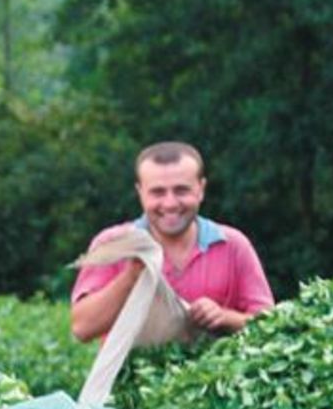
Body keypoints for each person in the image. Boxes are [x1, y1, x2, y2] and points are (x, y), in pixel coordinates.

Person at [69, 141, 274, 343]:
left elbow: (271, 326)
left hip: (218, 374)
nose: (170, 203)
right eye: (157, 192)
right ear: (140, 192)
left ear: (201, 189)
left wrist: (225, 318)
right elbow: (82, 329)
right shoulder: (114, 245)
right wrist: (130, 278)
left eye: (181, 190)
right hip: (136, 374)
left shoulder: (232, 245)